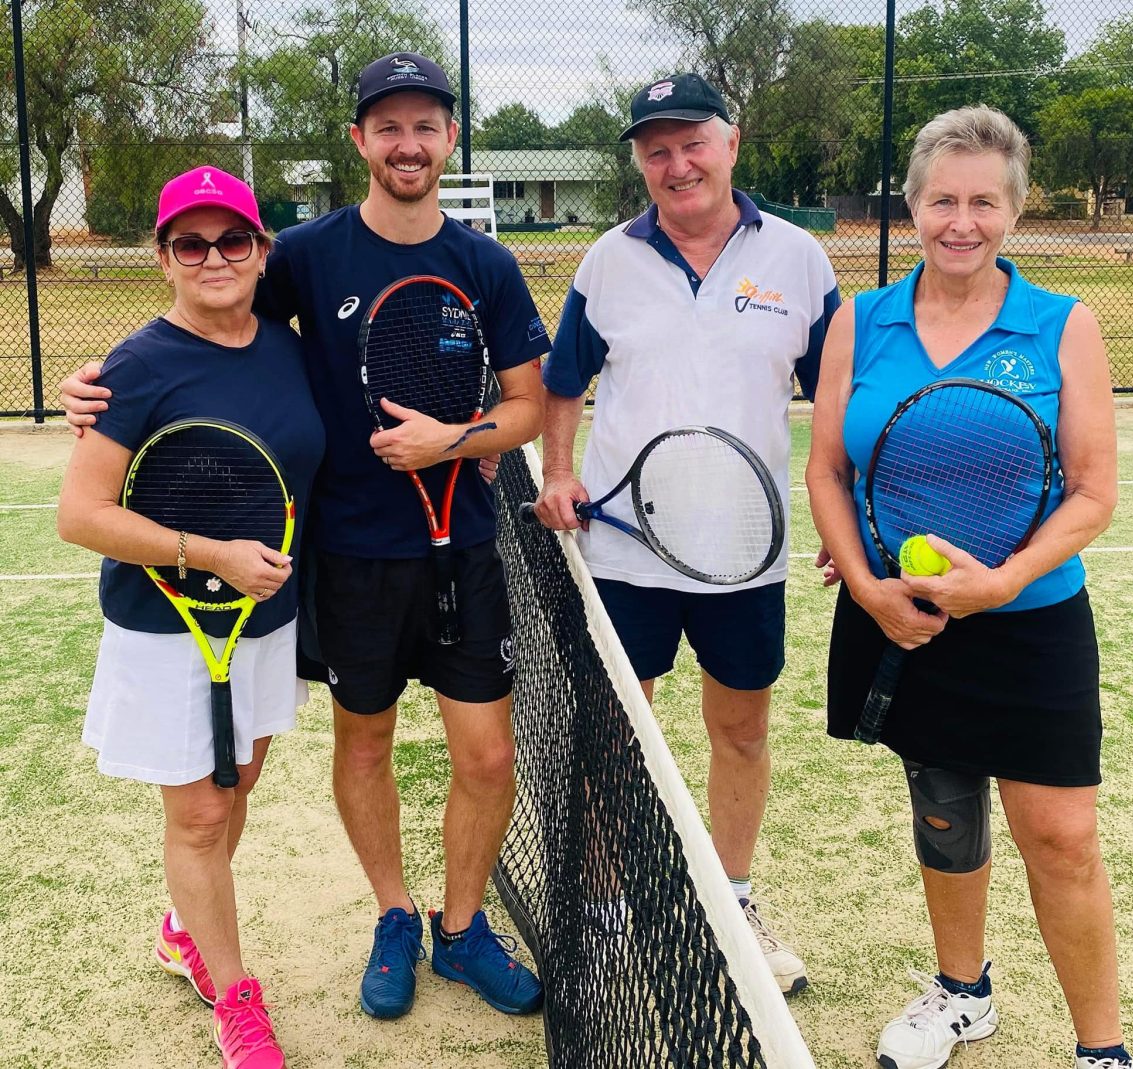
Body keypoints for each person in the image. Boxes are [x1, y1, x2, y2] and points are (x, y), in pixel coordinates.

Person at [60, 53, 547, 1022]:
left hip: (464, 551)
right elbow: (208, 310)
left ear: (452, 138)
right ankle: (396, 916)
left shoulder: (486, 264)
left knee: (488, 758)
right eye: (388, 126)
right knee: (361, 748)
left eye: (427, 125)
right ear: (360, 140)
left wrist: (454, 440)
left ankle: (462, 929)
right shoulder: (307, 257)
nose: (408, 144)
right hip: (351, 559)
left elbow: (529, 407)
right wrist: (96, 383)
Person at [805, 105, 1132, 1069]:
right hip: (900, 618)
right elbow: (828, 468)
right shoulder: (858, 320)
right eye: (941, 199)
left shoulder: (1064, 326)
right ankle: (962, 991)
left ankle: (1101, 1050)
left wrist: (1006, 581)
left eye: (983, 201)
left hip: (1029, 623)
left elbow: (1092, 492)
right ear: (910, 207)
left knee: (1062, 836)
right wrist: (865, 585)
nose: (961, 221)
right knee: (943, 809)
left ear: (1015, 211)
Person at [533, 72, 840, 995]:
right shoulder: (606, 261)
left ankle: (733, 896)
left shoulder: (799, 259)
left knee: (740, 728)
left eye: (692, 143)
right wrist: (558, 470)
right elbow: (563, 380)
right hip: (625, 547)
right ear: (639, 162)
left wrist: (844, 514)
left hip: (747, 550)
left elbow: (834, 397)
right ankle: (602, 904)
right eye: (655, 150)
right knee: (619, 730)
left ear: (732, 143)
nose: (676, 165)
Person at [57, 166, 324, 1069]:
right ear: (165, 258)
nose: (214, 258)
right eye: (190, 243)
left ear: (261, 252)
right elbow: (82, 515)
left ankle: (184, 930)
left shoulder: (288, 346)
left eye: (233, 240)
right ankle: (237, 1000)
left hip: (265, 619)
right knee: (203, 817)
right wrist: (211, 556)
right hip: (171, 625)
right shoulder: (134, 366)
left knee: (236, 785)